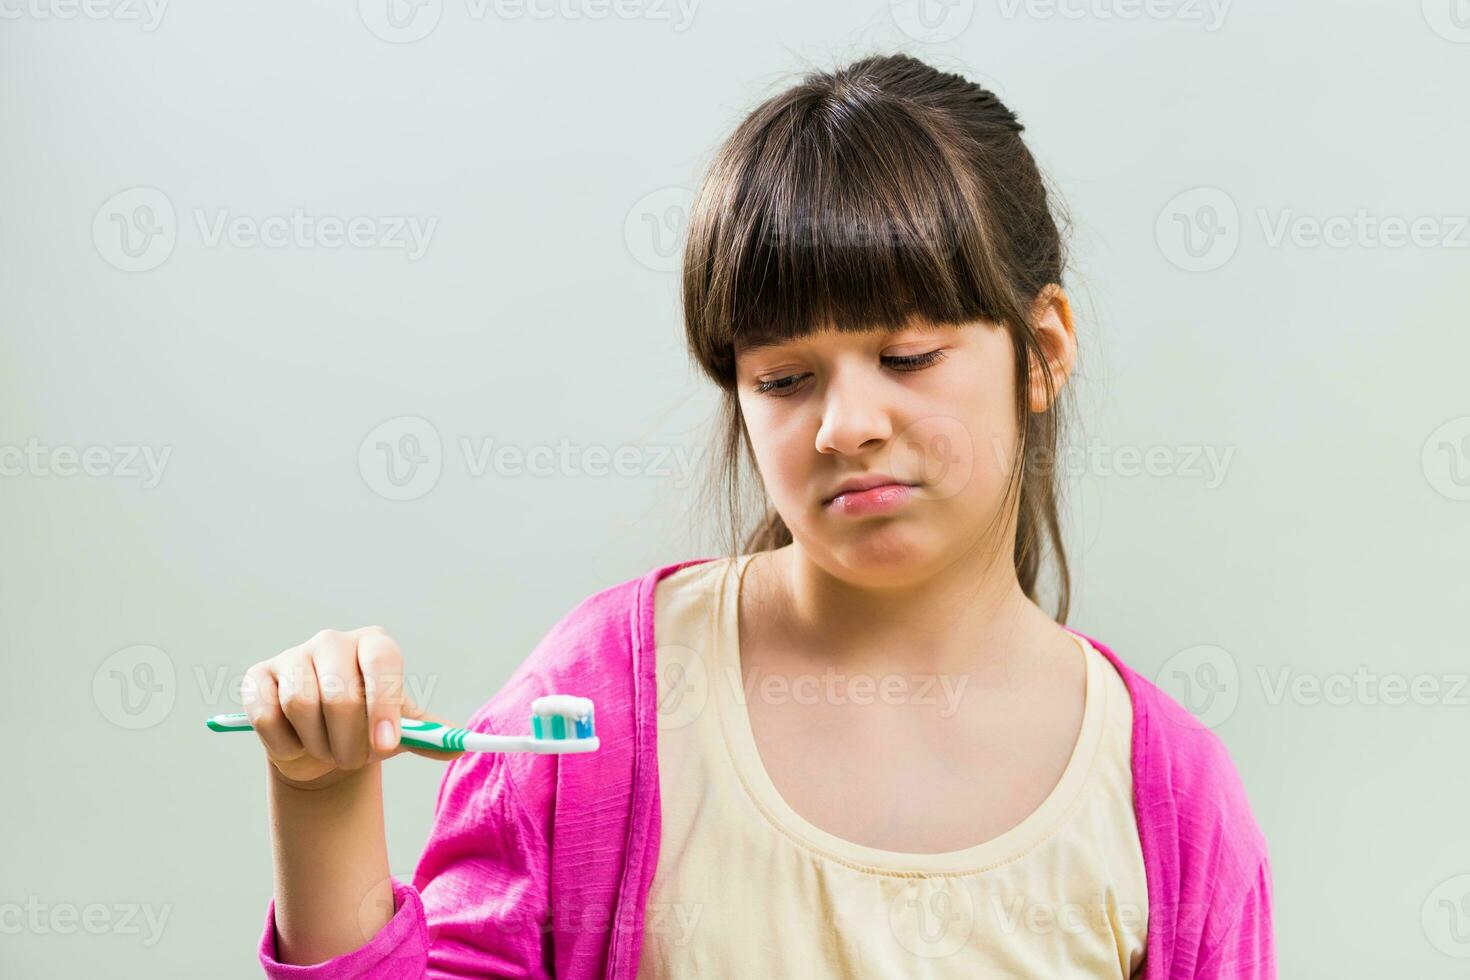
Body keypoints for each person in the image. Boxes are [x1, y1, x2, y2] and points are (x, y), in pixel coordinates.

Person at [246, 53, 1275, 978]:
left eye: (908, 355)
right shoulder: (609, 699)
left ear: (1043, 347)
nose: (848, 424)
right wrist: (324, 797)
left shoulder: (1170, 799)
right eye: (785, 376)